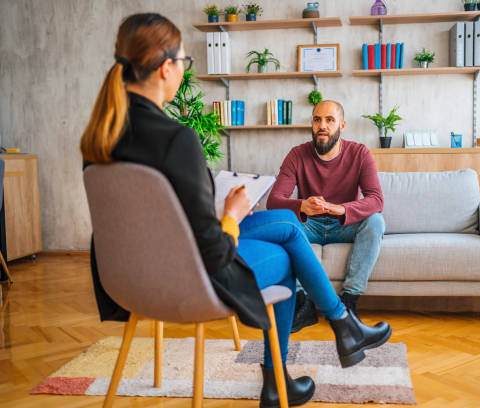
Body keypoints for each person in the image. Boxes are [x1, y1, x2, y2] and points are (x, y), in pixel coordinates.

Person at [80, 13, 392, 408]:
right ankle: (302, 360)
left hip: (129, 278)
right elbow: (212, 249)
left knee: (285, 226)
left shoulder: (101, 135)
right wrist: (230, 211)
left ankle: (338, 329)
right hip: (189, 277)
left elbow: (160, 220)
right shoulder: (176, 140)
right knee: (283, 253)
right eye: (184, 62)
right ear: (165, 68)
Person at [267, 100, 386, 332]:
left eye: (329, 120)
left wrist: (344, 209)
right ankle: (304, 305)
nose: (322, 125)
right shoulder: (297, 155)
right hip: (308, 225)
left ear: (341, 125)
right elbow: (274, 201)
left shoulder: (360, 153)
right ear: (311, 124)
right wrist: (302, 206)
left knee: (376, 221)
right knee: (283, 223)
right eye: (317, 119)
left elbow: (376, 199)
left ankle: (349, 303)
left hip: (344, 225)